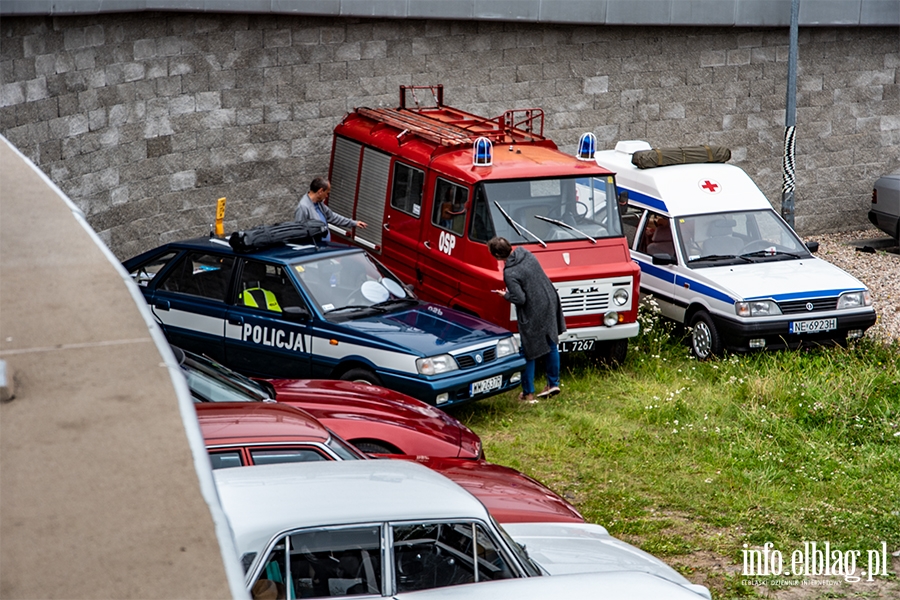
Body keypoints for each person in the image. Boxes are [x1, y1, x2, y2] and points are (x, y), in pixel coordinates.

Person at [488, 236, 565, 402]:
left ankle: (528, 393)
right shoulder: (527, 254)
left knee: (528, 351)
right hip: (549, 300)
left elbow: (521, 299)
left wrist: (506, 295)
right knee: (551, 343)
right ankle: (553, 383)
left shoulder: (509, 272)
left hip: (533, 309)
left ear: (496, 255)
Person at [294, 177, 367, 242]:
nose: (327, 196)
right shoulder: (303, 207)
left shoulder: (319, 204)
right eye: (326, 193)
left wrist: (354, 223)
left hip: (323, 247)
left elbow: (333, 217)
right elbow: (300, 233)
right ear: (320, 191)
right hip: (314, 251)